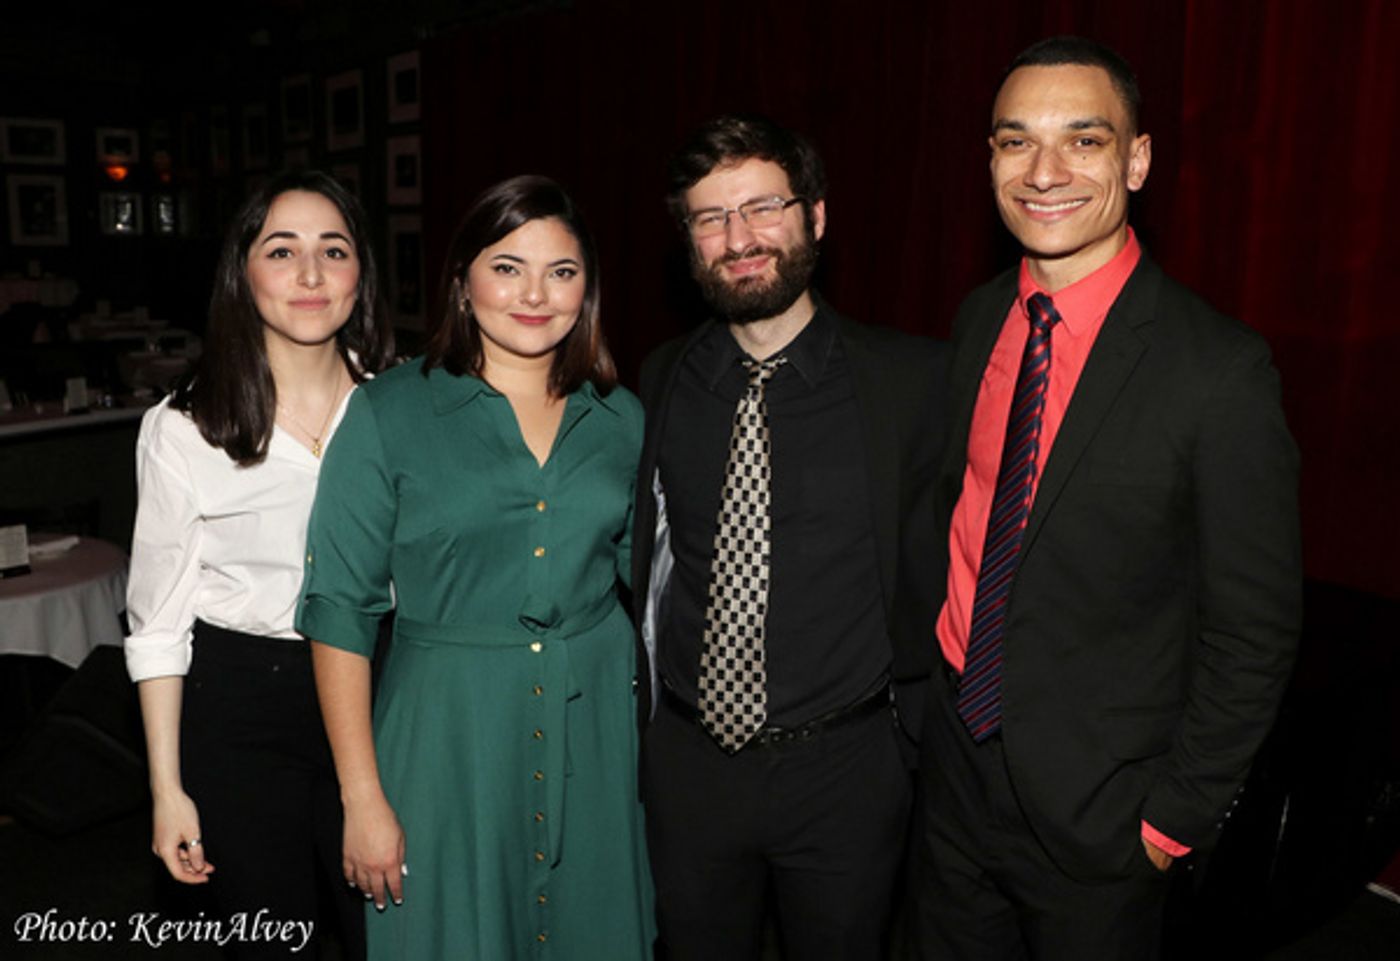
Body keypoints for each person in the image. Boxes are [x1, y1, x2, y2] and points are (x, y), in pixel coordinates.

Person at [911, 36, 1302, 960]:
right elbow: (958, 524)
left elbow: (1254, 630)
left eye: (1083, 141)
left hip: (1102, 821)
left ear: (1137, 159)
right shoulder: (976, 321)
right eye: (1016, 141)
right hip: (952, 782)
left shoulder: (1220, 373)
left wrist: (1170, 822)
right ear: (991, 161)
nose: (1045, 172)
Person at [298, 175, 653, 960]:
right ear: (462, 281)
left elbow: (659, 582)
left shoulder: (622, 417)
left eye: (561, 271)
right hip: (445, 735)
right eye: (506, 266)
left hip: (593, 730)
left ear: (587, 288)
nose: (535, 293)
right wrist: (363, 796)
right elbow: (338, 610)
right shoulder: (389, 412)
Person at [632, 115, 948, 960]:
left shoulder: (911, 384)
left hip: (846, 771)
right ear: (689, 243)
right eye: (710, 218)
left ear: (814, 217)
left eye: (763, 207)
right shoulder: (660, 380)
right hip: (689, 767)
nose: (738, 238)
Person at [125, 169, 395, 959]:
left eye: (333, 251)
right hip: (242, 711)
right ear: (243, 275)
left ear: (359, 276)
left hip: (381, 695)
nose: (311, 275)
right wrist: (167, 789)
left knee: (388, 933)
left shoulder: (401, 409)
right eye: (283, 251)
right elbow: (159, 623)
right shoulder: (184, 428)